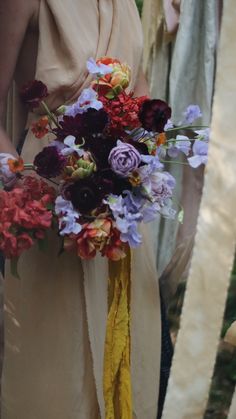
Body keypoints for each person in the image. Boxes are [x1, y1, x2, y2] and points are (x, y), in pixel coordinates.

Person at [0, 1, 162, 418]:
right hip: (50, 203)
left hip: (123, 207)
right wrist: (21, 191)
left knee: (130, 352)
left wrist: (147, 165)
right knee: (55, 365)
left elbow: (142, 98)